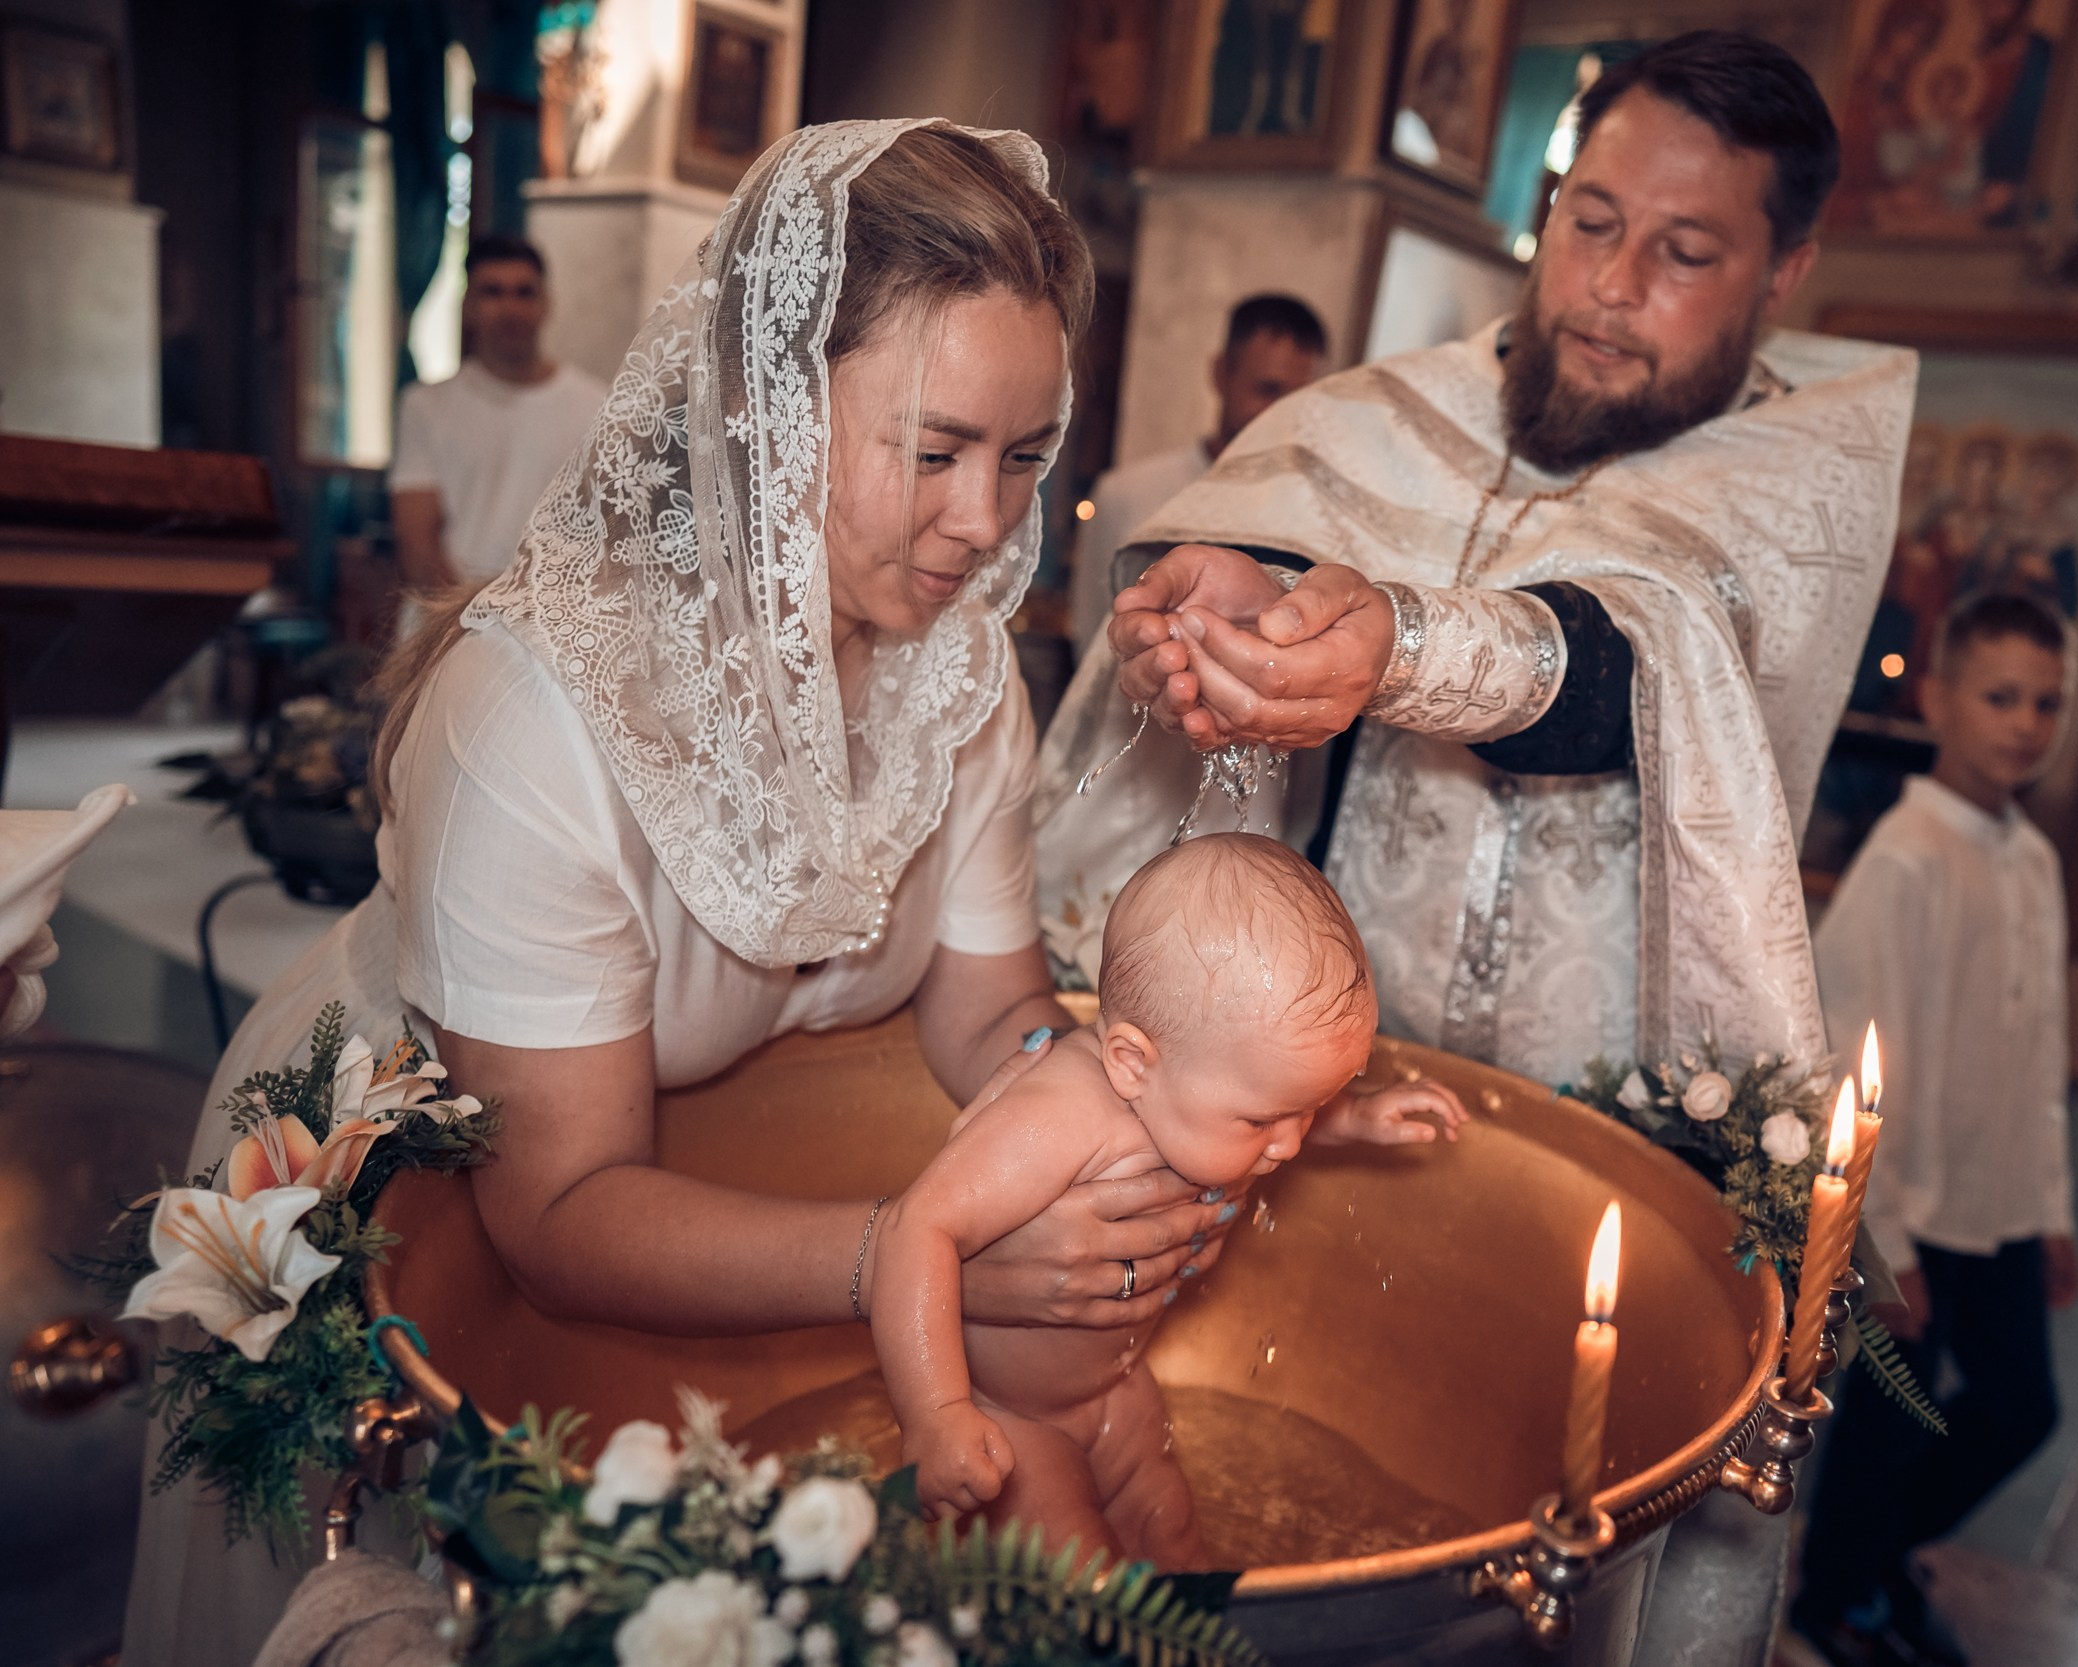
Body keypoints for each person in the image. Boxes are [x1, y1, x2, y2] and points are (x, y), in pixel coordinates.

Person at [123, 120, 1232, 1667]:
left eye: (1026, 457)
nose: (986, 524)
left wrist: (1116, 1138)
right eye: (934, 449)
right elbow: (559, 1208)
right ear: (766, 409)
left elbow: (988, 1010)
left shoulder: (961, 679)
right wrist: (925, 1246)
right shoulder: (536, 721)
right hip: (409, 1197)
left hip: (736, 1187)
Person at [1039, 31, 1915, 1093]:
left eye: (1683, 253)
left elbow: (1625, 669)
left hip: (1592, 1100)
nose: (1612, 284)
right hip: (1304, 1072)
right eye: (1589, 222)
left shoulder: (1799, 482)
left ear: (1783, 274)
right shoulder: (1379, 411)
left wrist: (1393, 649)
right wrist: (1228, 632)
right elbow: (1275, 575)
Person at [874, 833, 1466, 1566]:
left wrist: (1355, 1117)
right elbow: (914, 1226)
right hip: (1016, 1415)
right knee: (1086, 1592)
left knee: (1173, 1543)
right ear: (1130, 1063)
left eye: (1310, 1109)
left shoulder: (1198, 1084)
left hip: (1117, 1385)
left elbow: (1274, 1105)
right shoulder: (1061, 1115)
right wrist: (935, 1416)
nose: (1285, 1144)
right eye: (1260, 1121)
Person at [1790, 590, 2078, 1667]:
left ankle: (1871, 1554)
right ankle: (1831, 1601)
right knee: (1889, 1415)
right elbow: (1862, 1058)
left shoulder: (2035, 859)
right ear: (1938, 695)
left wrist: (2050, 1207)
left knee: (2021, 1406)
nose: (2023, 722)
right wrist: (1887, 1239)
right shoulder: (1905, 858)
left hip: (2002, 1199)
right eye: (1999, 695)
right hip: (1920, 1211)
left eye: (2047, 702)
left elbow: (2038, 1050)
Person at [1066, 293, 1327, 646]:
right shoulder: (1126, 495)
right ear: (1221, 374)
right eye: (1268, 390)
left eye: (1298, 399)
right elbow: (1092, 640)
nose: (1282, 415)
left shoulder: (1314, 516)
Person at [388, 235, 607, 613]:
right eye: (492, 292)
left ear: (546, 305)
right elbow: (418, 544)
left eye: (524, 293)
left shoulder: (597, 404)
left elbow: (606, 531)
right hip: (447, 621)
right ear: (468, 306)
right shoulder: (425, 405)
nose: (510, 308)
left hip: (554, 623)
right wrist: (472, 621)